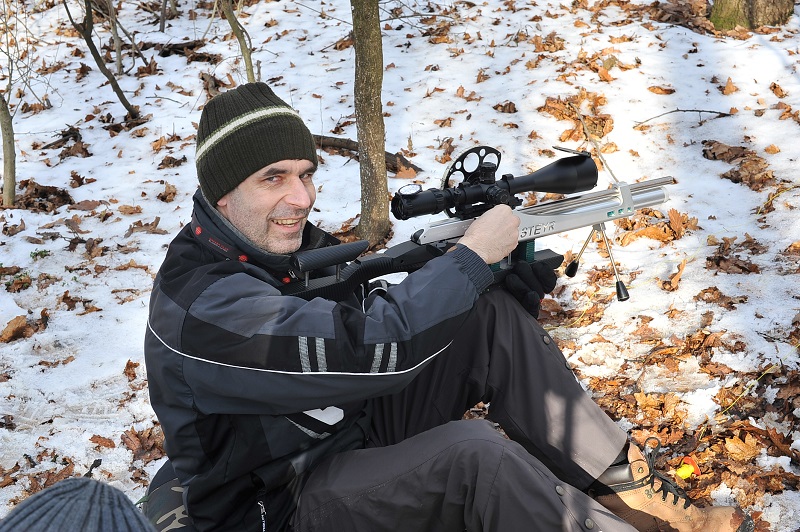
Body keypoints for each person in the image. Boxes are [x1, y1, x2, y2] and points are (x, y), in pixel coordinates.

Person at [143, 82, 753, 532]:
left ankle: (643, 503)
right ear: (221, 193)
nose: (301, 198)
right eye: (273, 178)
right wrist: (469, 260)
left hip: (344, 431)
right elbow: (369, 347)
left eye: (306, 174)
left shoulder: (282, 249)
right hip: (279, 503)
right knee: (475, 457)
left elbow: (364, 308)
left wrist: (494, 281)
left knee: (488, 321)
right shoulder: (205, 304)